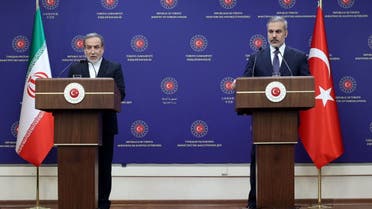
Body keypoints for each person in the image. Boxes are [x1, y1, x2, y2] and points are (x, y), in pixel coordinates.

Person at [242, 16, 310, 209]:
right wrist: (240, 84)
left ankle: (285, 201)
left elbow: (306, 87)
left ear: (285, 33)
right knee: (257, 162)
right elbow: (246, 82)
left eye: (278, 31)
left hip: (287, 122)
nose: (274, 35)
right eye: (270, 32)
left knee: (283, 161)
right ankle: (255, 202)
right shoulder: (256, 58)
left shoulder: (297, 57)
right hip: (262, 122)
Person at [68, 32, 125, 209]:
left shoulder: (114, 67)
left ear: (102, 49)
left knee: (104, 166)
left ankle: (102, 203)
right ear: (84, 49)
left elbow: (121, 94)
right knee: (81, 165)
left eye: (96, 47)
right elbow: (67, 94)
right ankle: (81, 200)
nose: (93, 51)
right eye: (89, 47)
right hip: (80, 127)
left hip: (105, 125)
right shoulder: (75, 69)